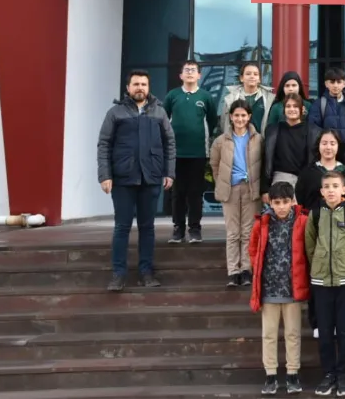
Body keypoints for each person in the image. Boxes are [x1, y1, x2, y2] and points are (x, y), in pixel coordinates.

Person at [98, 70, 175, 292]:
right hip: (123, 179)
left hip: (150, 178)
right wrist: (105, 175)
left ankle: (146, 272)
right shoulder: (115, 112)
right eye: (136, 84)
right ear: (128, 88)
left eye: (143, 84)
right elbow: (104, 144)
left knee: (147, 227)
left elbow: (169, 143)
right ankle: (118, 274)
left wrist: (169, 173)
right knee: (122, 227)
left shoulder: (159, 112)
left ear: (148, 88)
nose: (140, 87)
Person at [307, 171, 345, 397]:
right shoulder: (315, 214)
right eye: (327, 186)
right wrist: (319, 264)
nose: (331, 190)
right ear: (321, 191)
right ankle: (328, 374)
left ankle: (343, 375)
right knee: (324, 331)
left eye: (335, 186)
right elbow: (310, 244)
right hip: (321, 280)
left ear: (344, 189)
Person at [248, 182, 309, 396]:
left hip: (293, 288)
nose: (281, 207)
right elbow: (253, 249)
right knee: (269, 334)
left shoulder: (302, 221)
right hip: (269, 288)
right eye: (277, 202)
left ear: (292, 201)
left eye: (285, 202)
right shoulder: (262, 223)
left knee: (293, 333)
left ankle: (292, 374)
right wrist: (259, 270)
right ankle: (270, 375)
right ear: (270, 203)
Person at [294, 128, 345, 339]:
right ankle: (317, 321)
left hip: (341, 229)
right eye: (324, 143)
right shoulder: (308, 172)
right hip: (315, 227)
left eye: (332, 143)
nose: (328, 147)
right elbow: (300, 200)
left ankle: (337, 322)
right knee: (316, 276)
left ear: (338, 146)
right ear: (318, 146)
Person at [163, 60, 217, 244]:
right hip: (176, 154)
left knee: (195, 193)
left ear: (199, 75)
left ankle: (195, 229)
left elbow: (212, 121)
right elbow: (164, 120)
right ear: (181, 75)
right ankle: (178, 229)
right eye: (186, 70)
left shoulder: (205, 97)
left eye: (193, 70)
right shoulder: (173, 95)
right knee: (177, 193)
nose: (190, 73)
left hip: (198, 153)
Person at [211, 99, 264, 288]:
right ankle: (233, 271)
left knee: (248, 231)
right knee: (233, 232)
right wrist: (223, 182)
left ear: (249, 117)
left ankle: (246, 269)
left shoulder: (258, 139)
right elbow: (214, 165)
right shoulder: (221, 141)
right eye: (236, 115)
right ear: (231, 117)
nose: (240, 119)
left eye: (243, 115)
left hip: (251, 189)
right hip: (230, 189)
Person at [262, 93, 320, 200]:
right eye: (288, 106)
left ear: (302, 109)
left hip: (304, 181)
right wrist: (264, 189)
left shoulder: (313, 131)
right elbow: (266, 159)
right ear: (284, 110)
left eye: (295, 106)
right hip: (279, 179)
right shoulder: (273, 130)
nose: (291, 109)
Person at [309, 67, 345, 163]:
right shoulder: (319, 104)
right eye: (332, 82)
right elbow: (313, 128)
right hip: (326, 153)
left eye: (339, 82)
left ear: (344, 83)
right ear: (326, 84)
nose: (335, 85)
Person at [219, 63, 275, 135]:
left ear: (259, 79)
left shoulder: (269, 99)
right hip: (237, 140)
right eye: (248, 74)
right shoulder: (231, 99)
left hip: (262, 140)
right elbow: (224, 121)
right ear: (241, 78)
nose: (252, 76)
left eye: (255, 74)